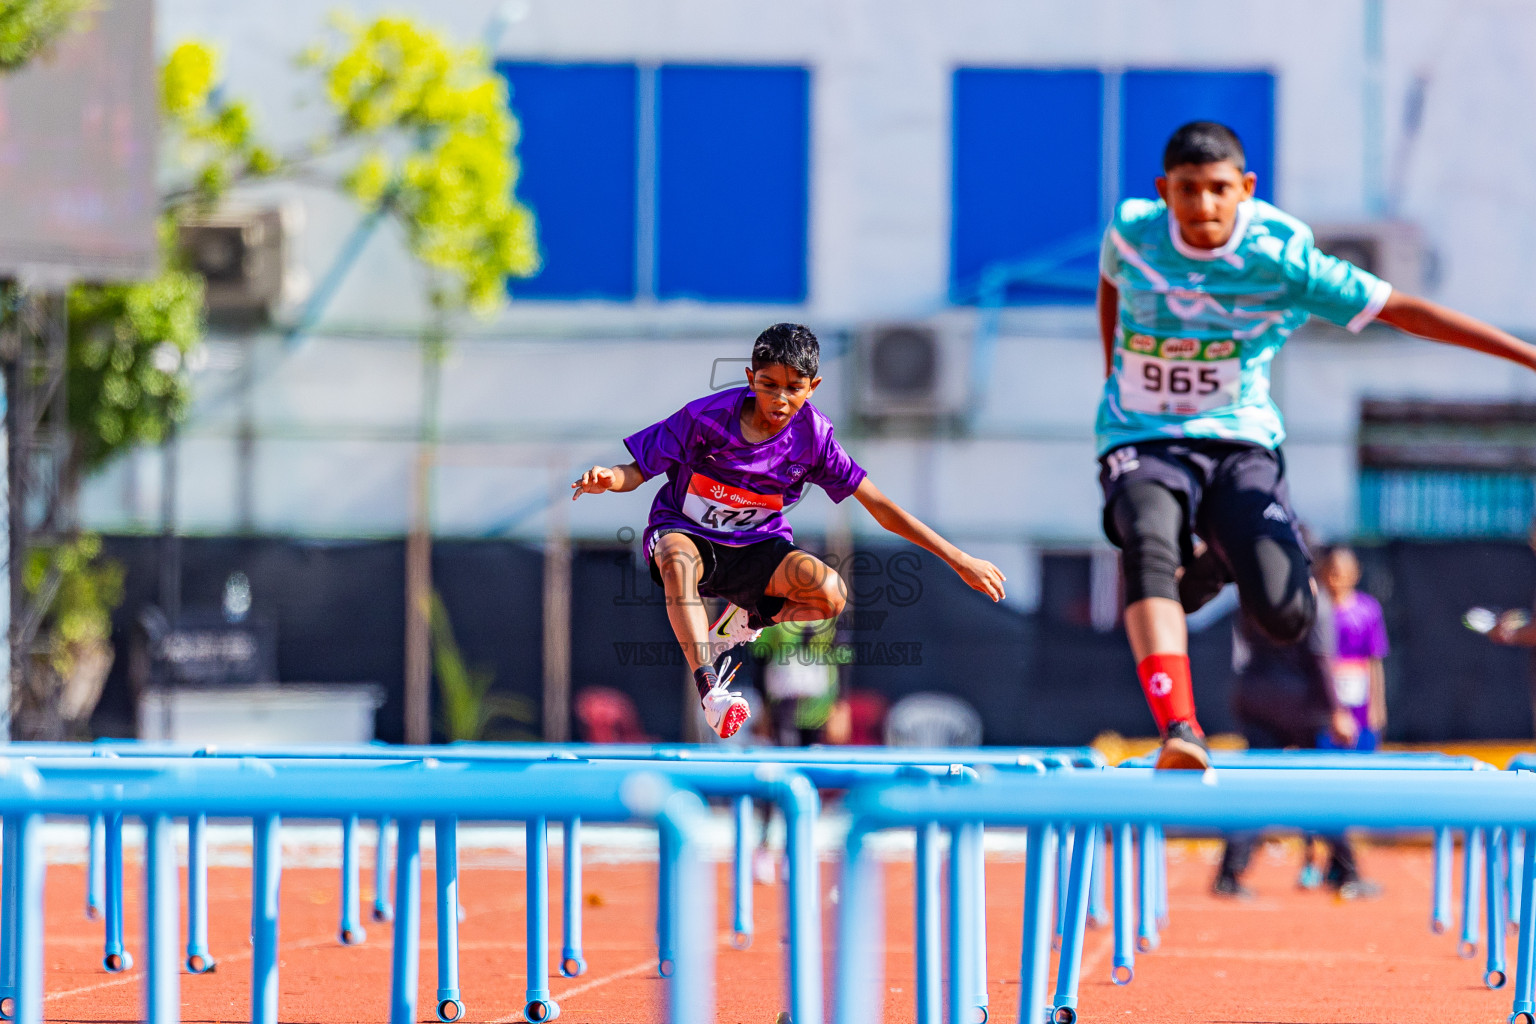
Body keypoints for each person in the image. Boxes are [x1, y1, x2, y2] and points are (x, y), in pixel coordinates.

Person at [1096, 121, 1536, 770]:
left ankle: (1221, 557)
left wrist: (1525, 356)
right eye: (1186, 191)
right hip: (1143, 435)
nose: (1202, 208)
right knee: (1147, 540)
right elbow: (1113, 286)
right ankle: (1180, 732)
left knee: (1284, 615)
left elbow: (1403, 310)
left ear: (1245, 189)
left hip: (1241, 439)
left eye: (1219, 190)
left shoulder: (1281, 258)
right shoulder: (1132, 233)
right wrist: (1114, 371)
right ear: (1165, 192)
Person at [572, 322, 1006, 738]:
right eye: (768, 386)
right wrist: (608, 478)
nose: (779, 400)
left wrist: (959, 559)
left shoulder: (813, 438)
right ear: (750, 378)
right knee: (676, 556)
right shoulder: (705, 419)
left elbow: (882, 508)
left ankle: (745, 619)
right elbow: (637, 470)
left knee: (830, 593)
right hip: (686, 532)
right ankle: (711, 691)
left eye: (793, 389)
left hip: (756, 545)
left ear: (812, 387)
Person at [1214, 594, 1381, 901]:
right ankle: (1346, 871)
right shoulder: (1314, 601)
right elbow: (1320, 659)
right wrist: (1337, 711)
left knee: (1256, 790)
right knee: (1320, 790)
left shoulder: (1253, 597)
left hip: (1256, 696)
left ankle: (1229, 872)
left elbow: (1245, 649)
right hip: (1302, 704)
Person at [1316, 545, 1389, 751]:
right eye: (1332, 572)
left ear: (1355, 573)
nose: (1336, 578)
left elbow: (1374, 660)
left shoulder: (1368, 610)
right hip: (1324, 709)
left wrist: (1378, 708)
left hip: (1360, 708)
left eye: (1342, 572)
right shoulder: (1317, 611)